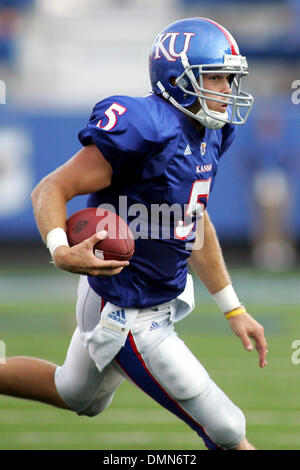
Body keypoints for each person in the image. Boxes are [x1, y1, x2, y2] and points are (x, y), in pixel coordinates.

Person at [0, 17, 267, 450]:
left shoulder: (213, 133)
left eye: (229, 78)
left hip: (131, 294)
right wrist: (60, 249)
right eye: (214, 78)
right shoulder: (144, 125)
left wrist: (233, 309)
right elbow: (51, 188)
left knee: (76, 393)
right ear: (177, 80)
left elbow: (193, 220)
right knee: (229, 431)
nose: (225, 90)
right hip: (129, 312)